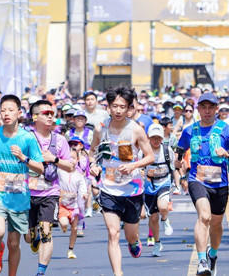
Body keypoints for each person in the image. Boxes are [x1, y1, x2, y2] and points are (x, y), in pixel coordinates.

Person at [176, 92, 229, 276]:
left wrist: (228, 154)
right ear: (198, 109)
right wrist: (179, 165)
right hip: (197, 180)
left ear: (216, 109)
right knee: (204, 217)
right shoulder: (190, 130)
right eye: (203, 107)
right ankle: (201, 261)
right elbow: (180, 149)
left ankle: (212, 254)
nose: (207, 111)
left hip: (219, 183)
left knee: (216, 224)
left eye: (210, 108)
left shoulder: (225, 129)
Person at [89, 87, 154, 276]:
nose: (118, 110)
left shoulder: (136, 130)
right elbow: (92, 151)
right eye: (114, 106)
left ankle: (134, 241)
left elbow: (150, 156)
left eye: (122, 107)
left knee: (130, 235)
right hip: (108, 188)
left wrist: (133, 166)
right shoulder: (101, 128)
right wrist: (93, 165)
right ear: (108, 107)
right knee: (113, 233)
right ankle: (118, 273)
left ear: (129, 108)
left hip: (132, 190)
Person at [0, 94, 44, 276]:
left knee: (14, 244)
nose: (6, 114)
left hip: (19, 196)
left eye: (10, 110)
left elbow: (40, 168)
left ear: (19, 112)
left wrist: (23, 158)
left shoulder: (28, 138)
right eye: (3, 111)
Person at [25, 99, 74, 276]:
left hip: (50, 192)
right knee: (29, 236)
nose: (50, 116)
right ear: (34, 117)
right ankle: (33, 235)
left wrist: (54, 159)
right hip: (26, 192)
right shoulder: (25, 138)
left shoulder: (60, 140)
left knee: (46, 232)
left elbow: (70, 166)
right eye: (46, 113)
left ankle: (41, 272)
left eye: (52, 113)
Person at [143, 123, 174, 257]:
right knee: (153, 218)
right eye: (153, 138)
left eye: (158, 138)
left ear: (162, 138)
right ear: (149, 138)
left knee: (163, 206)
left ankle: (165, 219)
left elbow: (173, 167)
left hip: (164, 183)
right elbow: (138, 168)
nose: (156, 140)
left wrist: (177, 182)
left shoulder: (167, 150)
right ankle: (157, 243)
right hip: (149, 187)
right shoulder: (143, 151)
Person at [57, 148, 88, 260]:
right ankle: (64, 226)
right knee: (64, 223)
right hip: (63, 205)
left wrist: (84, 194)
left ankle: (70, 250)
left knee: (74, 229)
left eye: (73, 158)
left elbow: (83, 188)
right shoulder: (60, 171)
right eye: (68, 158)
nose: (71, 160)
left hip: (74, 205)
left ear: (78, 160)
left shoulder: (79, 176)